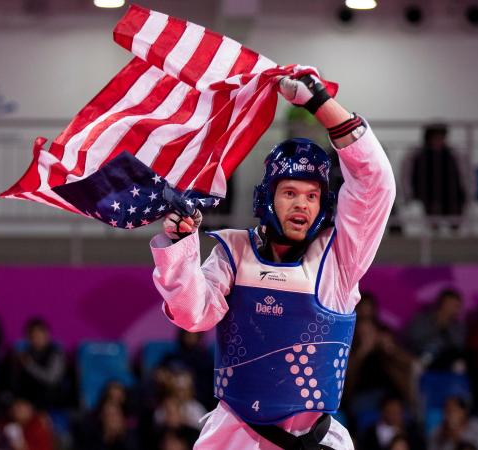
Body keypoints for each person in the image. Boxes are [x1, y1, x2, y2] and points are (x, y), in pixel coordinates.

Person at [150, 73, 396, 449]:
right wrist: (180, 245)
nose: (302, 204)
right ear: (267, 199)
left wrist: (322, 105)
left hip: (315, 439)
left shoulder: (340, 258)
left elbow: (375, 184)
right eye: (290, 193)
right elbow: (192, 315)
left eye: (313, 196)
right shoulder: (233, 251)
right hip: (233, 437)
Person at [406, 123, 467, 228]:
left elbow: (458, 177)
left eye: (441, 137)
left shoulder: (451, 155)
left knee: (455, 208)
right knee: (434, 208)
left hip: (450, 195)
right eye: (436, 137)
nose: (439, 140)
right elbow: (412, 177)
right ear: (429, 138)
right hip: (427, 195)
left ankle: (454, 232)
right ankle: (434, 231)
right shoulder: (420, 156)